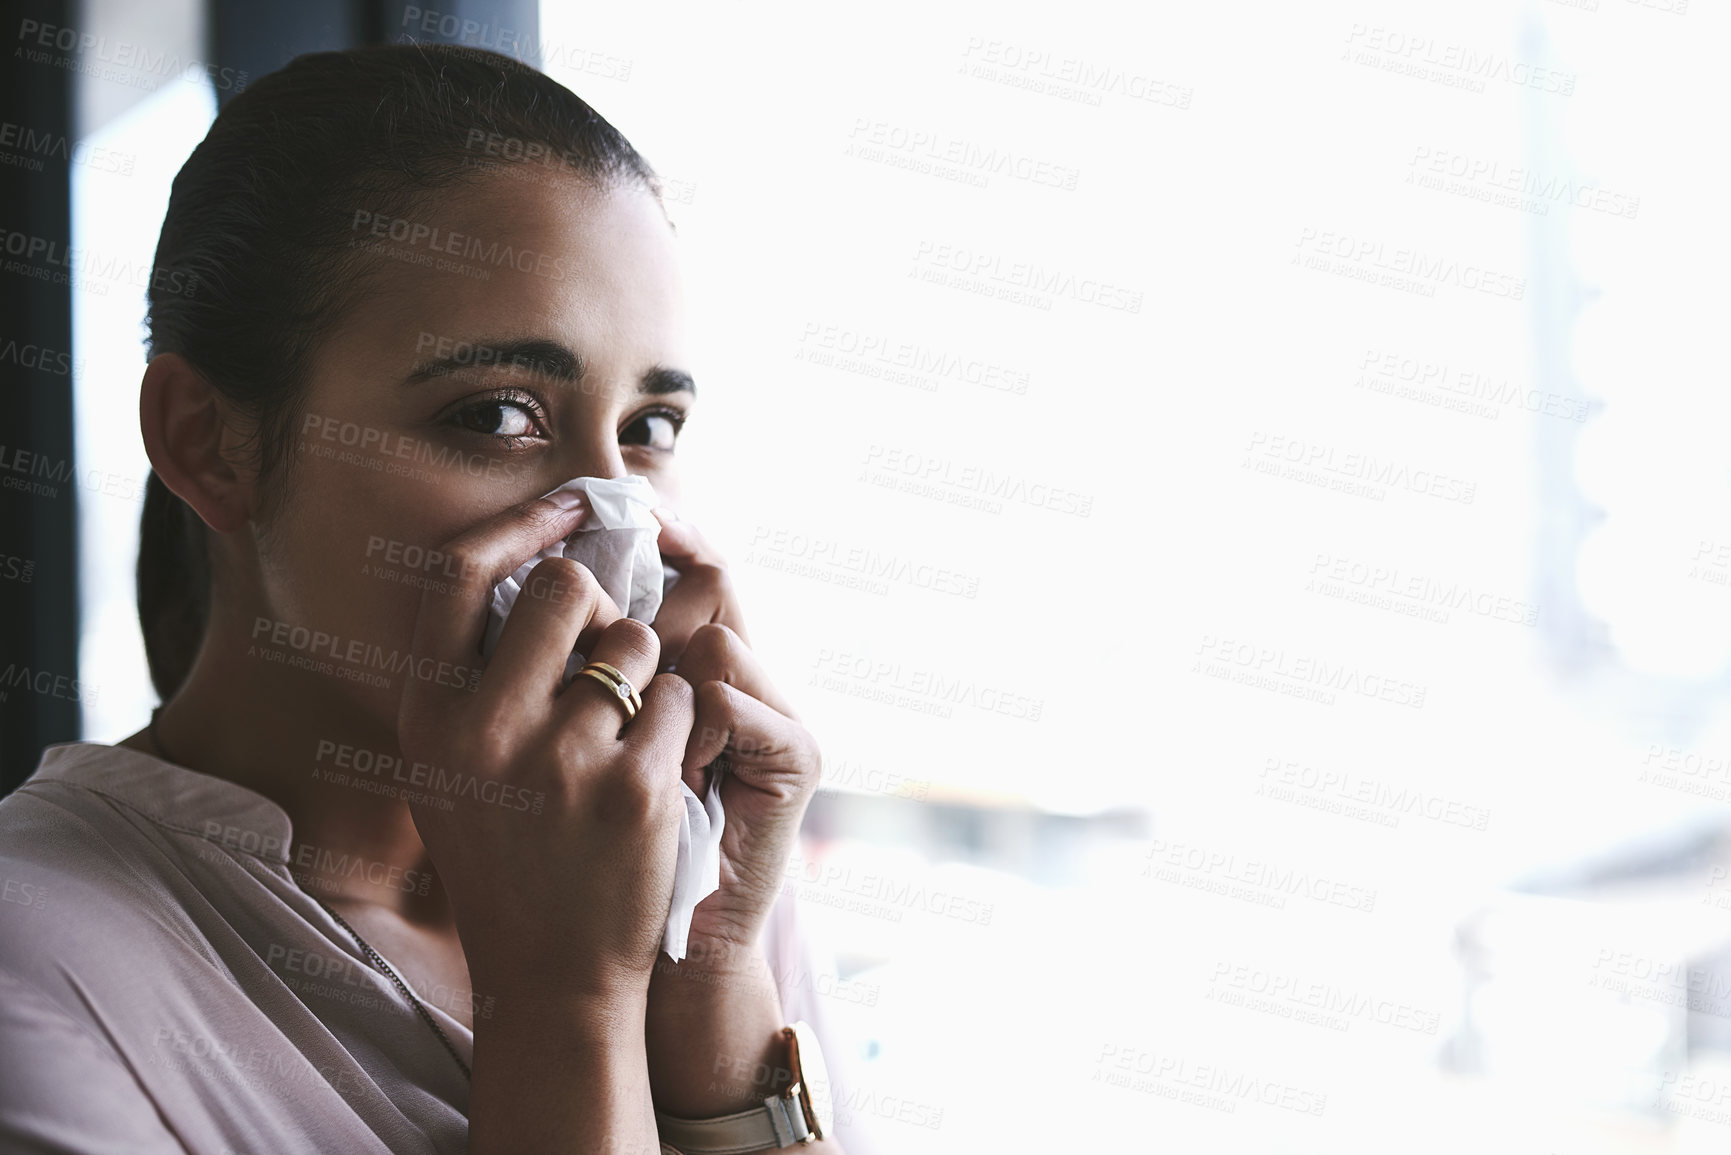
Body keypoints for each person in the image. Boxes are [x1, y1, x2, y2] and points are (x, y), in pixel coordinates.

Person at [0, 42, 852, 1155]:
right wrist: (564, 1001)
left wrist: (714, 978)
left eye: (649, 430)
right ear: (211, 446)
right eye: (498, 415)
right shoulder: (39, 959)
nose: (611, 522)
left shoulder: (688, 874)